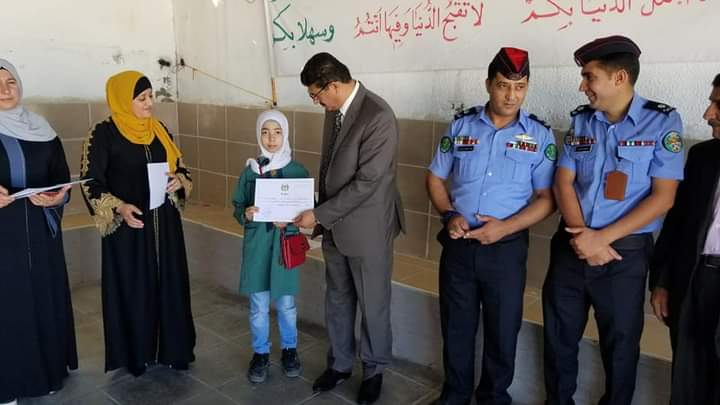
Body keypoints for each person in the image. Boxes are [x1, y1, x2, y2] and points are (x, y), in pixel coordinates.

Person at [542, 35, 684, 405]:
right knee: (558, 339)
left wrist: (601, 239)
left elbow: (664, 197)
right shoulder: (582, 121)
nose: (582, 86)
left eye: (589, 77)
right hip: (572, 246)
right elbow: (563, 181)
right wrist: (583, 237)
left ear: (619, 78)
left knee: (620, 346)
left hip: (624, 256)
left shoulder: (661, 122)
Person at [426, 48, 556, 405]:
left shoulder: (540, 136)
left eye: (520, 87)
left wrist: (506, 227)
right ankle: (455, 396)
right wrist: (448, 214)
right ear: (488, 84)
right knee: (456, 327)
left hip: (505, 251)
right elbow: (435, 178)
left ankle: (494, 398)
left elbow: (547, 199)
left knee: (502, 331)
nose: (511, 96)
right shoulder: (462, 126)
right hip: (459, 246)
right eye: (503, 86)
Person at [294, 52, 405, 405]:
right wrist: (319, 211)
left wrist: (319, 215)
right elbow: (330, 167)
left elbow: (367, 183)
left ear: (333, 85)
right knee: (338, 299)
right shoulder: (335, 111)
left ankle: (373, 370)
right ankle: (340, 364)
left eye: (316, 95)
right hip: (334, 226)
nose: (316, 102)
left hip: (368, 228)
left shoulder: (378, 116)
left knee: (373, 303)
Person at [80, 70, 195, 377]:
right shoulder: (103, 134)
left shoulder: (160, 130)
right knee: (134, 287)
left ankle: (174, 349)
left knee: (170, 283)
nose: (149, 103)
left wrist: (178, 180)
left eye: (151, 96)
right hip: (129, 228)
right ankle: (137, 353)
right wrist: (119, 207)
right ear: (123, 99)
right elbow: (90, 181)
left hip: (165, 225)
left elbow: (182, 167)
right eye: (141, 98)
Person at [0, 59, 77, 405]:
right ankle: (9, 382)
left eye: (11, 82)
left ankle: (46, 372)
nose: (5, 90)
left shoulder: (41, 128)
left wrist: (59, 196)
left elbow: (60, 176)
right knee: (9, 304)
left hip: (41, 235)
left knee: (43, 297)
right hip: (5, 239)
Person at [649, 73, 720, 404]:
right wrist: (661, 282)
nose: (708, 114)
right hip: (695, 280)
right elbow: (676, 223)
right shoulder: (702, 157)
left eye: (718, 104)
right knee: (689, 379)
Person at [231, 110, 309, 383]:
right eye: (265, 132)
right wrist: (246, 213)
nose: (271, 138)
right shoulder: (250, 171)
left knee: (286, 304)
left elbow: (307, 210)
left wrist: (292, 219)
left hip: (284, 246)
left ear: (285, 135)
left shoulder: (297, 171)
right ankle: (260, 353)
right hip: (258, 247)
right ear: (258, 135)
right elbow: (238, 206)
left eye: (277, 132)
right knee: (258, 305)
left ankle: (289, 350)